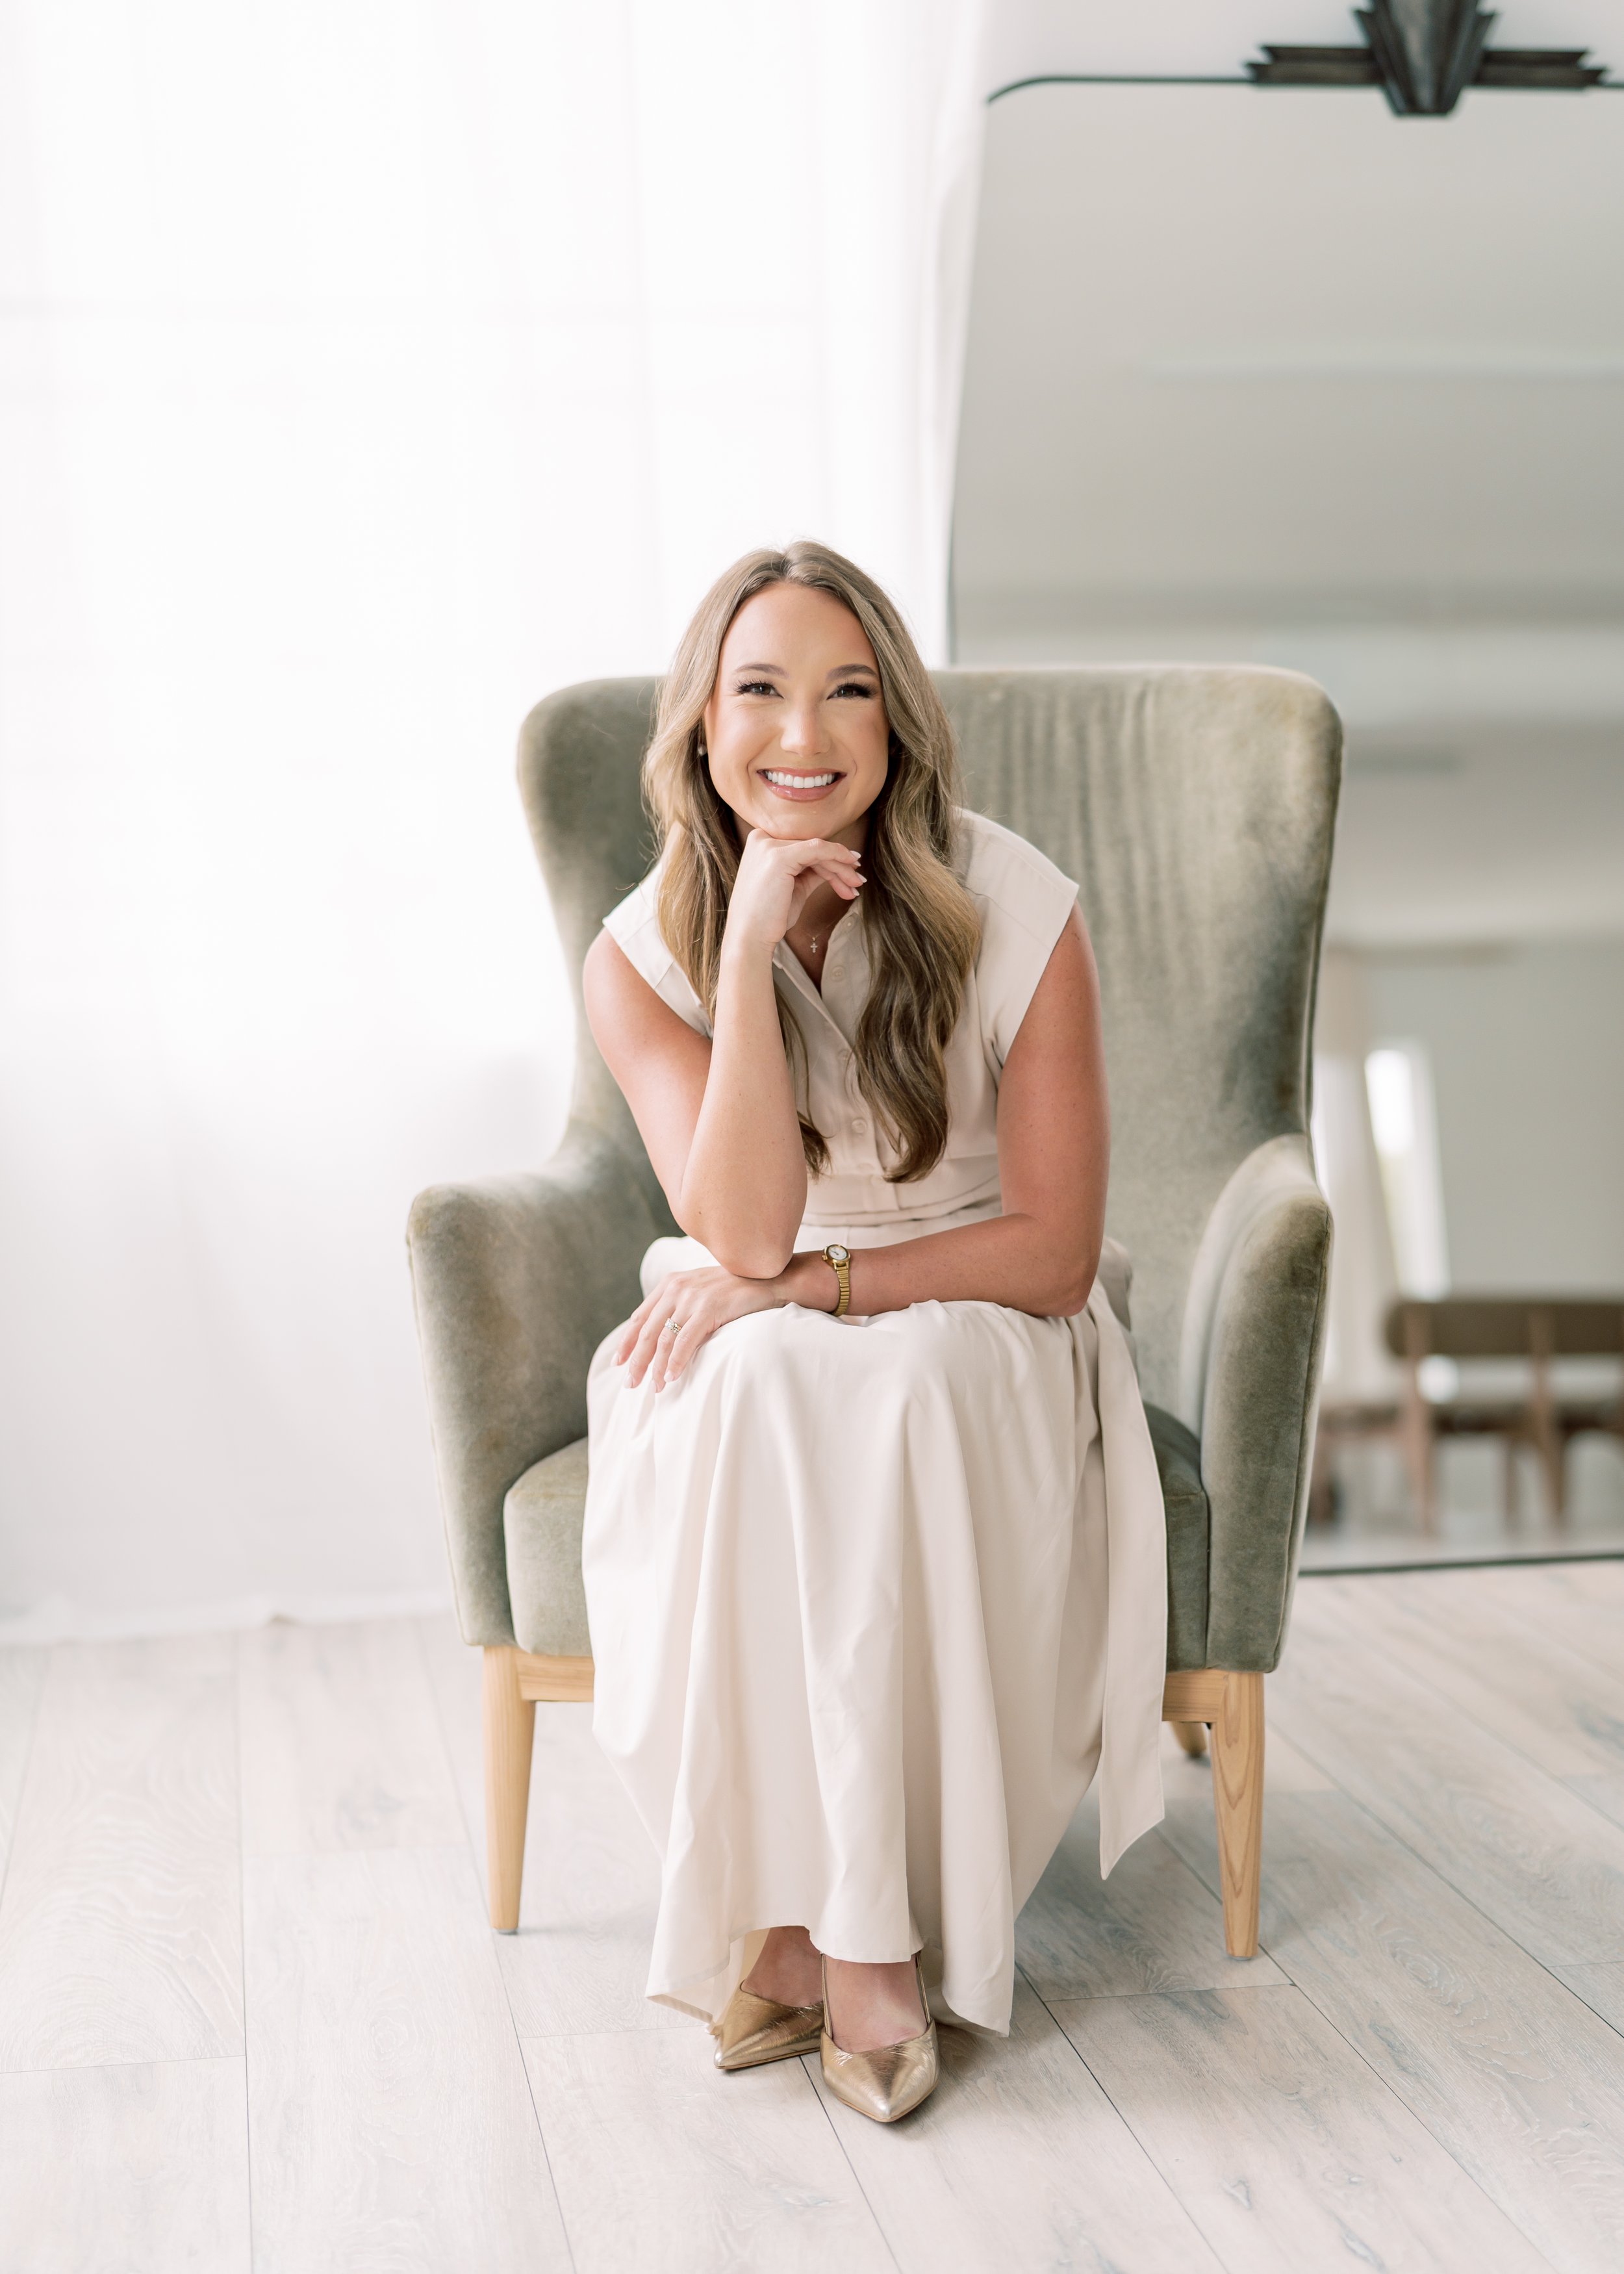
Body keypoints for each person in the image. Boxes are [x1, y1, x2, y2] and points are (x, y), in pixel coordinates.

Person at [581, 541, 1167, 2125]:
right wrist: (753, 963)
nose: (804, 734)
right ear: (700, 723)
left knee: (886, 1386)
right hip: (755, 1286)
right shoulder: (640, 958)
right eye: (759, 689)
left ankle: (835, 1946)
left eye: (849, 692)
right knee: (758, 1380)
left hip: (976, 1300)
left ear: (895, 724)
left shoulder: (1015, 902)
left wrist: (802, 1292)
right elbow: (749, 1234)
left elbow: (1050, 1251)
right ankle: (819, 1932)